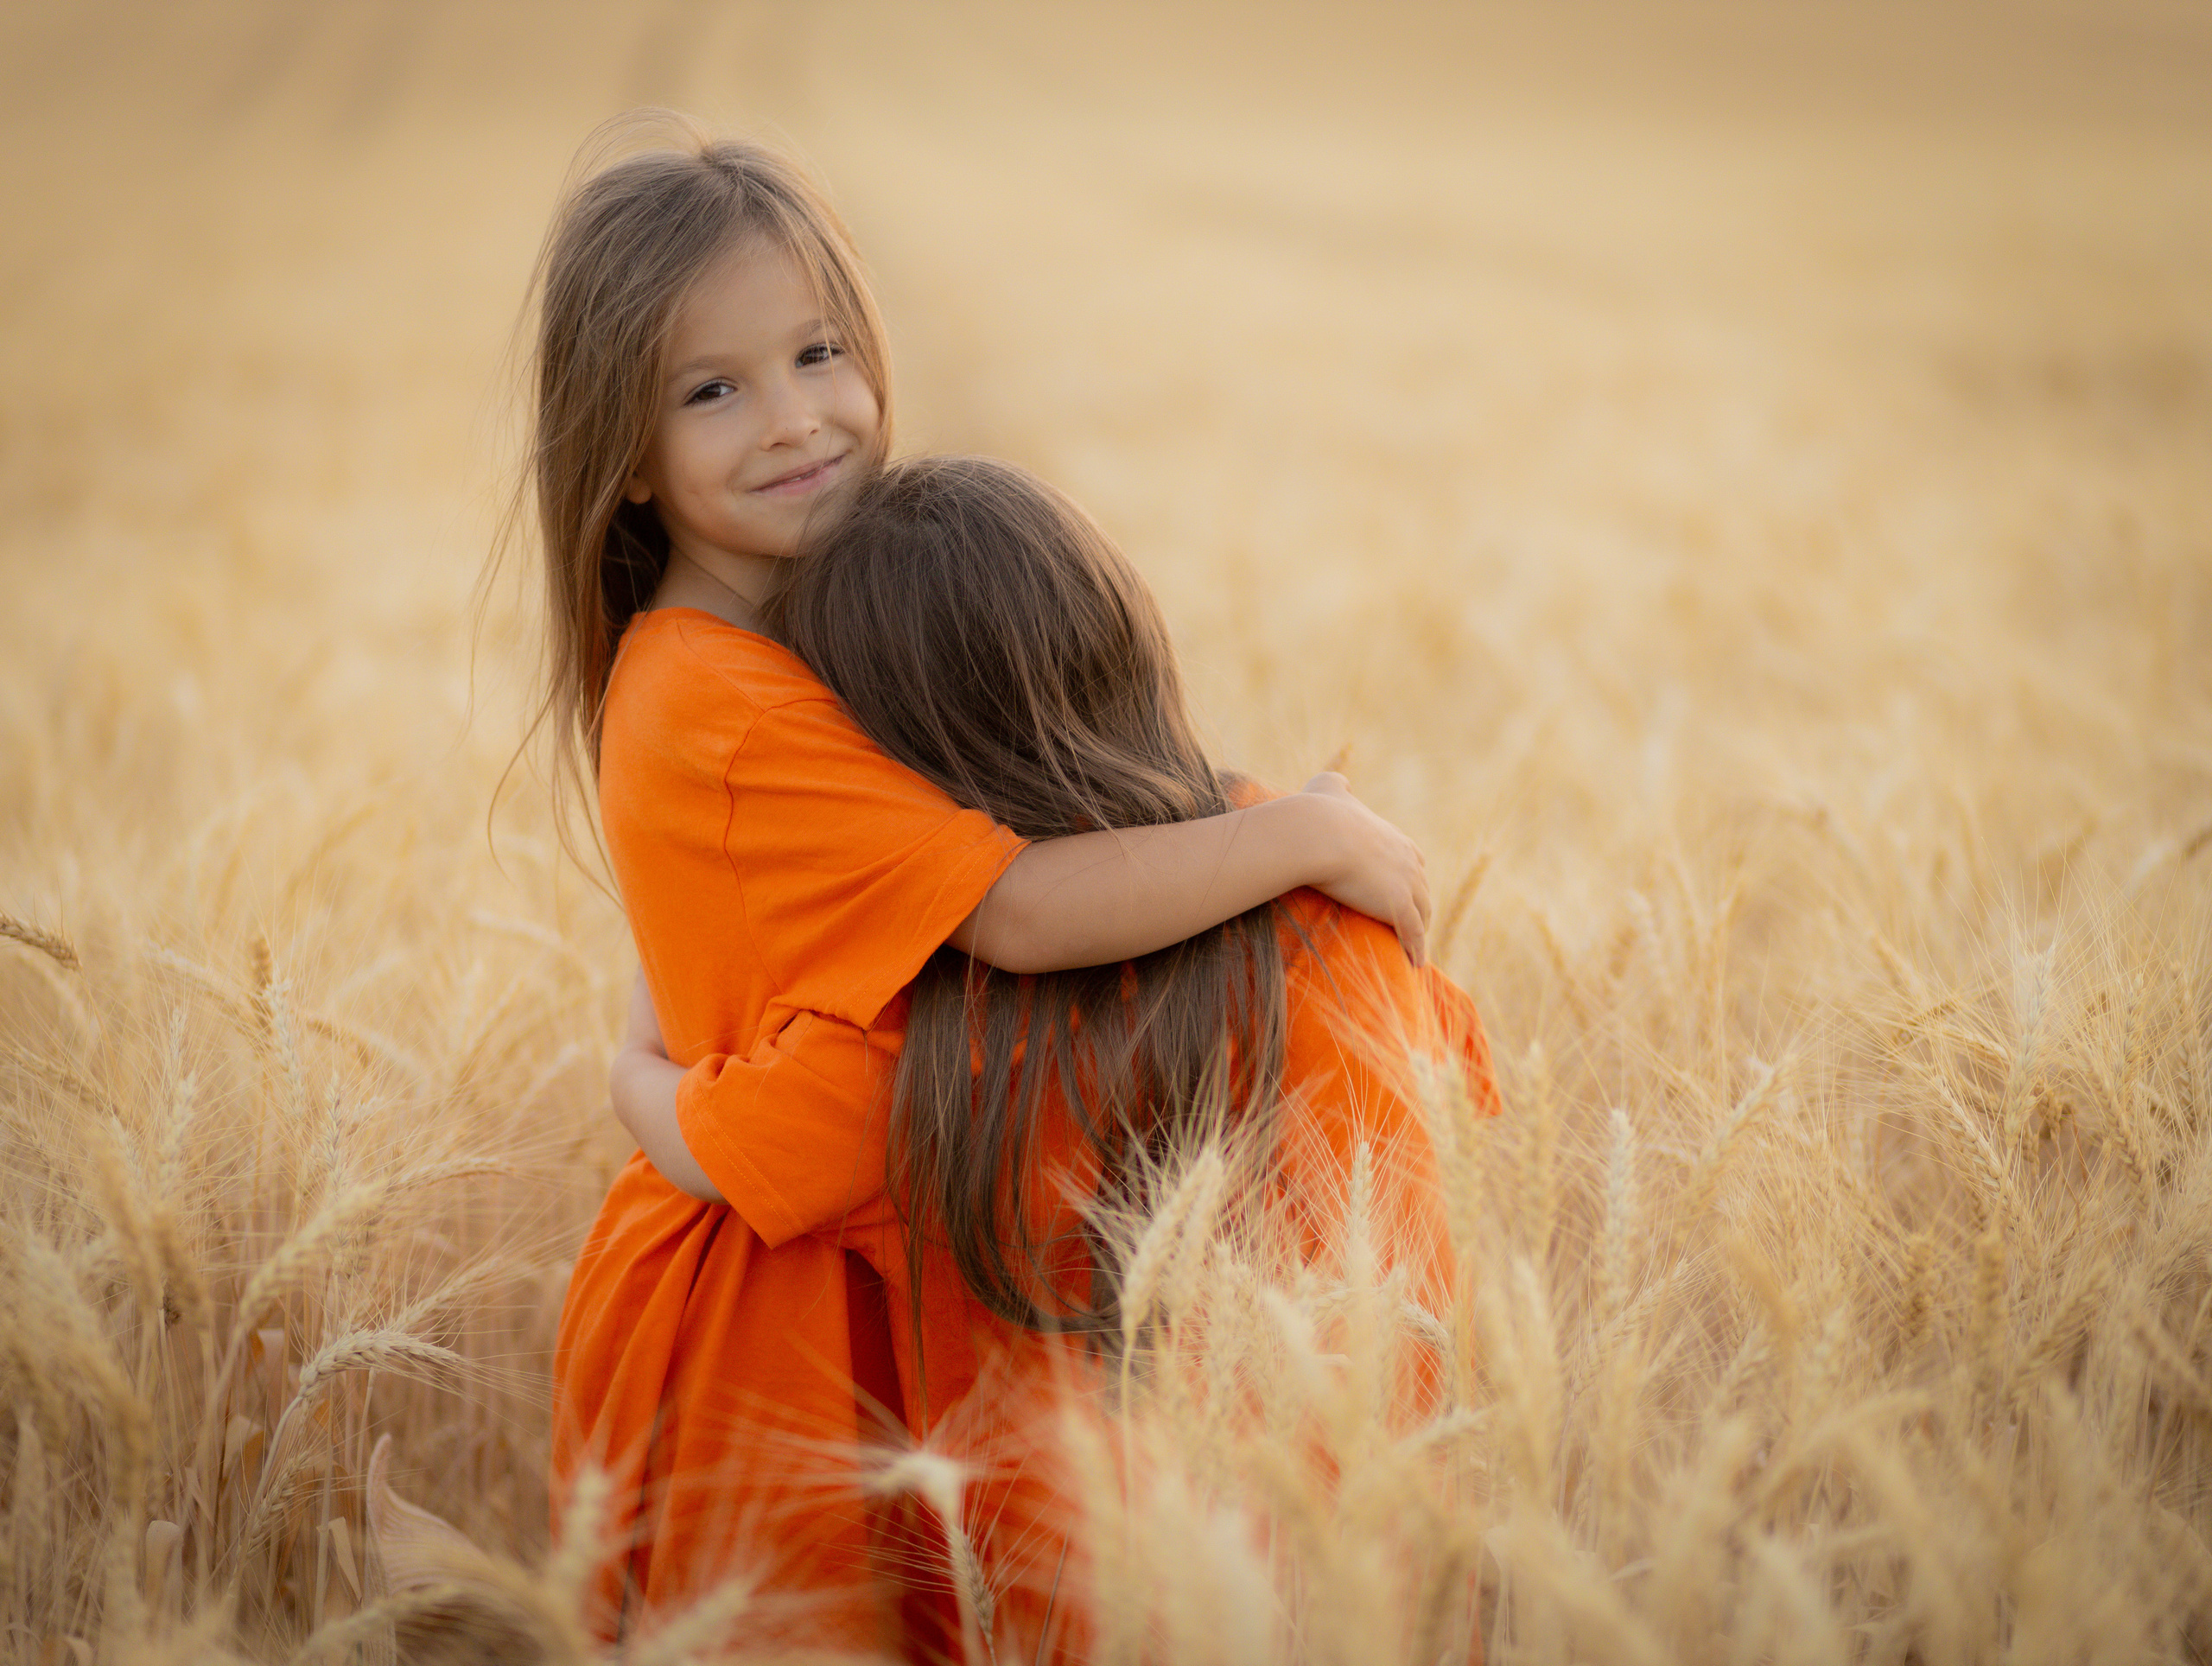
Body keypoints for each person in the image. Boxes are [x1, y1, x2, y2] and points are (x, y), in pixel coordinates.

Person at [521, 119, 1436, 1650]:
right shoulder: (711, 699)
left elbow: (794, 907)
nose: (798, 420)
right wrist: (1302, 838)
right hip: (796, 1318)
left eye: (820, 353)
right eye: (713, 390)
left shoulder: (773, 638)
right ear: (619, 456)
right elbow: (1010, 907)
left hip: (883, 1227)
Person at [611, 455, 1503, 1662]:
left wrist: (634, 1064)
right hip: (1333, 1575)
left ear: (897, 785)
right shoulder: (1312, 894)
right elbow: (1454, 1091)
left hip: (1058, 1593)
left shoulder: (926, 1044)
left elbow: (743, 1142)